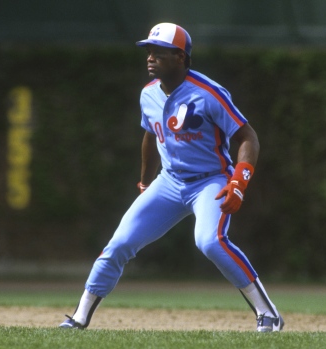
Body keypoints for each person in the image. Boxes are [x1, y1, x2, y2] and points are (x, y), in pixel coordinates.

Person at [59, 22, 284, 332]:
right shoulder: (148, 94)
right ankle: (79, 318)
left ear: (180, 57)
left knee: (210, 241)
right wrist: (145, 183)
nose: (150, 58)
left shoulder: (208, 92)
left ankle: (268, 314)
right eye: (149, 52)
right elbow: (151, 136)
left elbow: (248, 137)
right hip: (170, 181)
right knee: (120, 242)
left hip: (211, 180)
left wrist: (239, 181)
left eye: (159, 53)